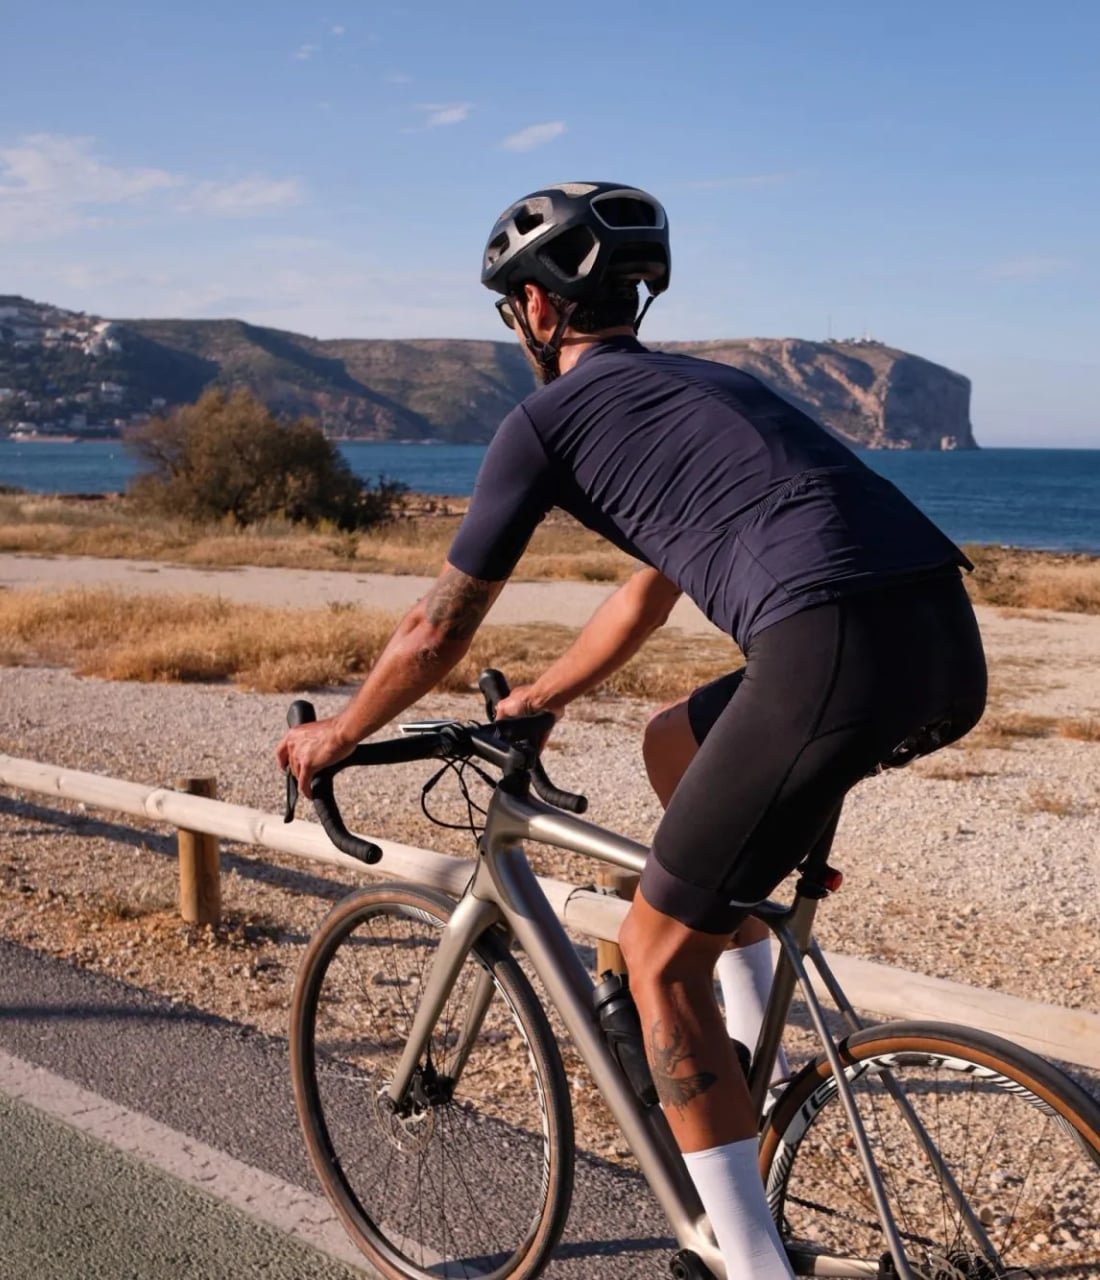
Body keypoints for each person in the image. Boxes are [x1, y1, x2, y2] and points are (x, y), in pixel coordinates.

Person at [276, 182, 986, 1279]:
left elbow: (434, 629)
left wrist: (334, 739)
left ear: (537, 309)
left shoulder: (544, 422)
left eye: (513, 310)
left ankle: (748, 1262)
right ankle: (741, 1062)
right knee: (672, 742)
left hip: (826, 651)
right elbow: (648, 595)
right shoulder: (708, 386)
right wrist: (543, 695)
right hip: (944, 635)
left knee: (653, 957)